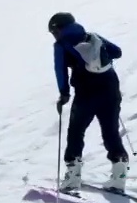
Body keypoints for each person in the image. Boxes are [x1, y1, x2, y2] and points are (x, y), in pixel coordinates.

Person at [49, 12, 130, 192]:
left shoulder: (61, 45)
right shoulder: (92, 36)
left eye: (53, 31)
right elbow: (117, 52)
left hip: (86, 92)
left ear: (58, 29)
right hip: (110, 88)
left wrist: (64, 94)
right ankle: (119, 177)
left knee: (76, 132)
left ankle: (72, 177)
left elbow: (59, 70)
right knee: (110, 131)